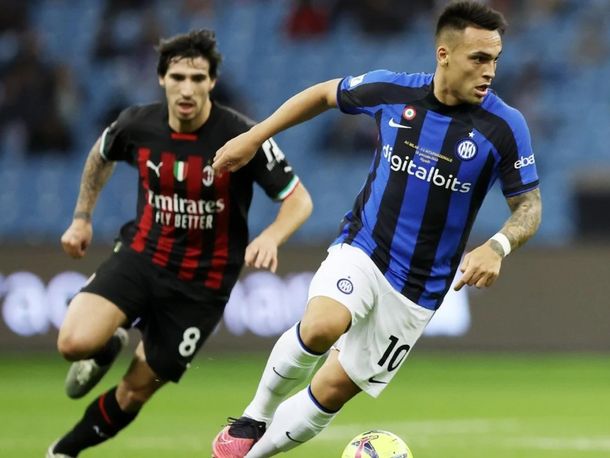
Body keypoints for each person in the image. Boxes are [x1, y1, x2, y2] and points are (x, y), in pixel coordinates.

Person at [210, 1, 542, 457]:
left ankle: (247, 455)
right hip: (365, 247)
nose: (490, 71)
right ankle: (254, 415)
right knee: (323, 326)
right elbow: (324, 94)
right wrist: (254, 137)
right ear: (444, 54)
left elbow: (529, 205)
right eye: (479, 58)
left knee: (331, 390)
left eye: (495, 60)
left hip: (419, 288)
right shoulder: (394, 90)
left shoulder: (505, 126)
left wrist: (498, 246)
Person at [47, 29, 313, 458]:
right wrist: (81, 218)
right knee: (73, 344)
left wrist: (271, 236)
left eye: (197, 78)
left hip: (201, 286)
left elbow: (299, 200)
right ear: (161, 79)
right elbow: (100, 154)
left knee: (135, 391)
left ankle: (63, 450)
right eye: (177, 77)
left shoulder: (240, 135)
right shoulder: (136, 124)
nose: (187, 89)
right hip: (141, 257)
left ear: (212, 82)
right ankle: (106, 345)